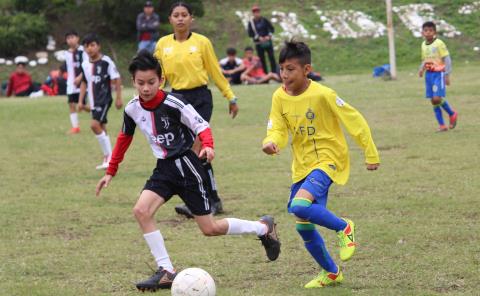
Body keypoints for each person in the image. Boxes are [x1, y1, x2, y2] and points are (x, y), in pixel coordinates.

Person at [95, 50, 280, 292]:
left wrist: (209, 146)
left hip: (188, 168)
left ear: (160, 80)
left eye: (151, 82)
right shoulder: (132, 109)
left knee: (209, 229)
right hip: (164, 169)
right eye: (141, 83)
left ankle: (263, 228)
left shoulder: (174, 103)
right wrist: (111, 170)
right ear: (134, 82)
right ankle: (166, 271)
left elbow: (201, 125)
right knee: (141, 211)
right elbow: (123, 138)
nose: (146, 88)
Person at [262, 41, 380, 289]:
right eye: (282, 68)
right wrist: (271, 142)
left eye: (291, 69)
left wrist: (370, 154)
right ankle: (331, 272)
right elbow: (278, 127)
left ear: (307, 69)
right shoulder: (279, 96)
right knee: (303, 223)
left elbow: (354, 120)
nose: (284, 75)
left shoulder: (323, 94)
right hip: (302, 165)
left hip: (328, 158)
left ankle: (344, 227)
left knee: (299, 205)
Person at [154, 2, 239, 218]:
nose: (180, 18)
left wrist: (230, 96)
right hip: (175, 100)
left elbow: (214, 71)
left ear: (192, 18)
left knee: (195, 149)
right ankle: (210, 200)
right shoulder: (163, 44)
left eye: (184, 15)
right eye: (176, 15)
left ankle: (206, 202)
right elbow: (159, 76)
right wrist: (154, 99)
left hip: (200, 99)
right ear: (170, 19)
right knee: (189, 153)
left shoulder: (202, 42)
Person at [78, 33, 123, 170]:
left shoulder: (106, 61)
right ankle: (109, 158)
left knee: (94, 125)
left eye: (92, 45)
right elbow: (84, 82)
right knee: (102, 127)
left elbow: (116, 78)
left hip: (103, 99)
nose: (89, 49)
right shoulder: (85, 64)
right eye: (86, 46)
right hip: (93, 100)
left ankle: (109, 157)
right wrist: (81, 101)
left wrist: (118, 98)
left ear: (98, 46)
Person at [418, 21, 458, 132]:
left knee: (437, 98)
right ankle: (442, 125)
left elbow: (447, 58)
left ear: (434, 32)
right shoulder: (423, 45)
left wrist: (447, 74)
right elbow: (425, 59)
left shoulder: (439, 43)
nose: (428, 33)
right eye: (426, 30)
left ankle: (452, 113)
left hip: (438, 74)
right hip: (429, 75)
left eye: (431, 30)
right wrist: (421, 68)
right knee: (433, 100)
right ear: (422, 32)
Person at [64, 30, 89, 134]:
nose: (70, 40)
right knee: (71, 104)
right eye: (68, 38)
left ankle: (97, 112)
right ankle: (75, 127)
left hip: (82, 83)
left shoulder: (83, 51)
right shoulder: (66, 53)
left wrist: (80, 77)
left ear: (77, 38)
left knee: (82, 106)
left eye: (72, 37)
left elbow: (87, 65)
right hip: (71, 84)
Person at [247, 4, 277, 74]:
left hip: (268, 42)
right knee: (261, 59)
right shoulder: (251, 23)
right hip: (259, 44)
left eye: (257, 11)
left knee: (271, 57)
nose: (256, 13)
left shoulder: (265, 20)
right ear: (253, 13)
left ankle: (274, 73)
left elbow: (271, 29)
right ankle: (265, 74)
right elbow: (250, 34)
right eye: (255, 12)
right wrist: (258, 38)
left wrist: (268, 36)